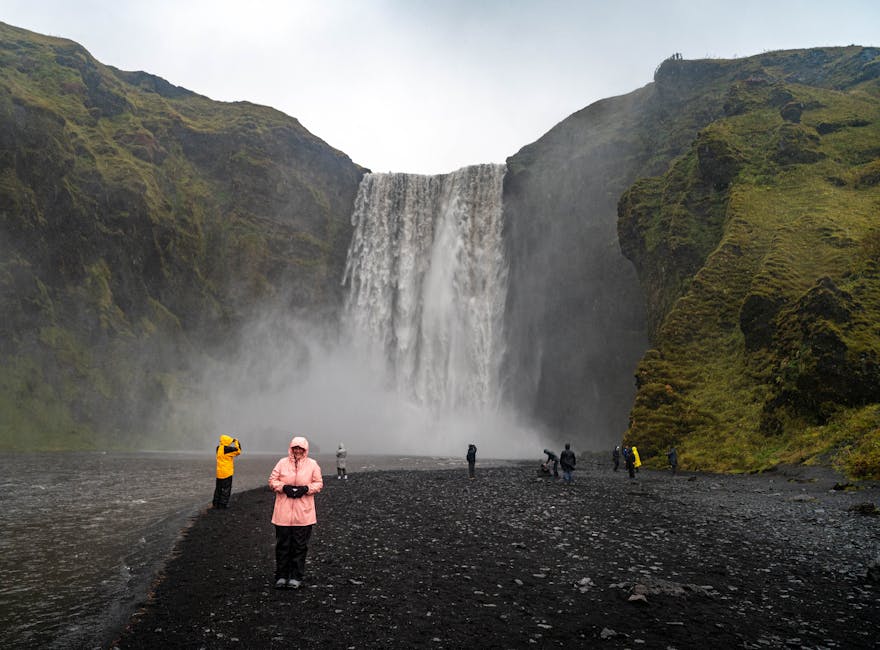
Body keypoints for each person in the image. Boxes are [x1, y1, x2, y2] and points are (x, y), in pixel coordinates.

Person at [268, 436, 323, 589]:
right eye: (295, 448)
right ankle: (281, 576)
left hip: (304, 514)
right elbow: (272, 480)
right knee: (283, 545)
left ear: (305, 450)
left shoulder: (312, 465)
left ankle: (295, 576)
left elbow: (318, 483)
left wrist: (305, 489)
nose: (297, 450)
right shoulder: (282, 463)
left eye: (301, 448)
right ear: (291, 448)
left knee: (299, 546)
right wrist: (284, 487)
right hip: (283, 513)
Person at [212, 435, 241, 509]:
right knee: (226, 489)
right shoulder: (227, 449)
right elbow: (238, 451)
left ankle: (215, 503)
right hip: (227, 473)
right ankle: (223, 505)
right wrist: (236, 442)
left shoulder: (218, 448)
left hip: (219, 473)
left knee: (218, 489)